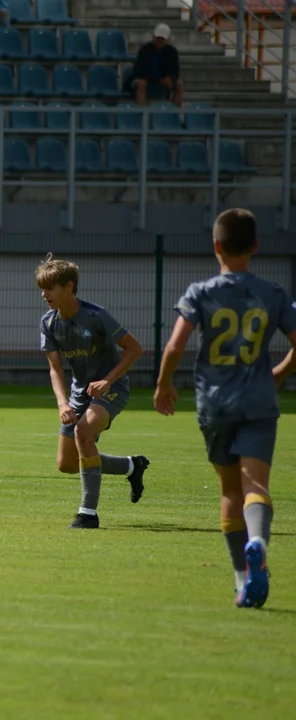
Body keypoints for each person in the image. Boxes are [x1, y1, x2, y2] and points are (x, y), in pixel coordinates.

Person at [154, 209, 296, 609]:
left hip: (214, 405)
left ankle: (242, 579)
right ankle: (258, 543)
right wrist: (278, 373)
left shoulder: (201, 292)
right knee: (256, 487)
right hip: (258, 403)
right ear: (255, 246)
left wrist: (164, 384)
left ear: (215, 246)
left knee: (229, 490)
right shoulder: (273, 293)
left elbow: (176, 345)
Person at [36, 254, 150, 529]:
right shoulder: (49, 323)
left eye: (50, 288)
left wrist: (108, 380)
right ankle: (131, 466)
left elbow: (134, 349)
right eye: (42, 288)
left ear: (70, 286)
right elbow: (55, 369)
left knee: (83, 433)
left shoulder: (97, 316)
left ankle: (88, 513)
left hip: (112, 388)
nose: (44, 294)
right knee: (66, 463)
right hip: (79, 393)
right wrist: (63, 404)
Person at [131, 23, 184, 107]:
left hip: (163, 80)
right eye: (157, 38)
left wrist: (171, 79)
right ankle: (142, 114)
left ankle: (175, 114)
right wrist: (159, 80)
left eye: (162, 39)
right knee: (141, 83)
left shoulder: (172, 52)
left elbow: (175, 71)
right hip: (147, 79)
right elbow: (139, 72)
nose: (159, 41)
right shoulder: (145, 50)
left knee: (179, 84)